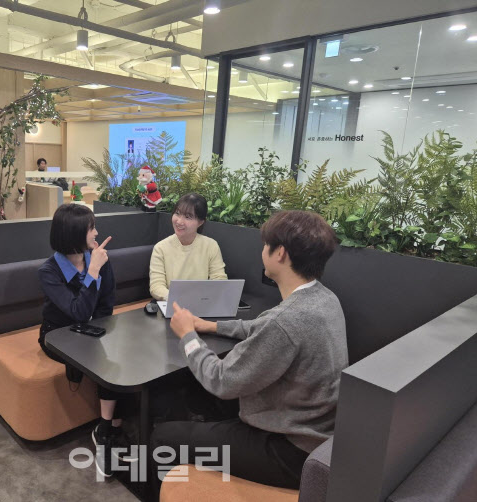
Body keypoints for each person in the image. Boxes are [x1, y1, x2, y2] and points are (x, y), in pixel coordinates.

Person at [150, 210, 348, 490]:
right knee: (202, 403)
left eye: (266, 245)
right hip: (317, 435)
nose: (262, 251)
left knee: (163, 436)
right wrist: (211, 326)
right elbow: (262, 326)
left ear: (280, 253)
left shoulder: (285, 320)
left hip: (290, 451)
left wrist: (188, 335)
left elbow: (221, 380)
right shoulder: (325, 299)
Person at [37, 204, 135, 477]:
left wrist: (99, 329)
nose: (96, 233)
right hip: (58, 335)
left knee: (122, 353)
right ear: (74, 233)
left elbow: (107, 303)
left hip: (92, 329)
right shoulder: (49, 271)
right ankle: (108, 430)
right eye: (91, 228)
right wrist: (92, 272)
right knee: (102, 357)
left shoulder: (100, 259)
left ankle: (109, 426)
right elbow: (77, 312)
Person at [149, 193, 227, 301]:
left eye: (188, 217)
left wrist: (202, 298)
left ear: (200, 222)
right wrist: (179, 299)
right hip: (172, 303)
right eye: (177, 213)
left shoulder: (211, 246)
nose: (179, 221)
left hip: (201, 303)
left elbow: (219, 280)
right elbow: (156, 286)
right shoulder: (161, 248)